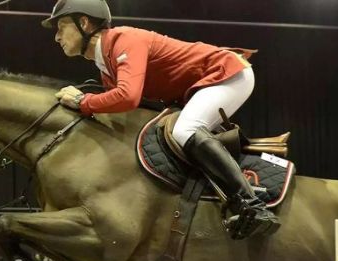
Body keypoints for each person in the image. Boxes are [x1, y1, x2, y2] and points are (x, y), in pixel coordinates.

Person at [44, 0, 279, 239]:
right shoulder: (105, 65)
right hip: (198, 87)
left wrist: (83, 101)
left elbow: (128, 97)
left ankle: (254, 206)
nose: (56, 37)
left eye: (61, 27)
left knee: (185, 130)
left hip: (224, 73)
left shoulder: (123, 39)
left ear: (83, 22)